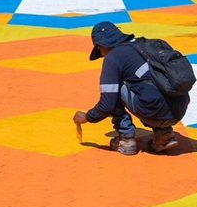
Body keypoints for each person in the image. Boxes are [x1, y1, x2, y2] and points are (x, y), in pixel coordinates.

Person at [73, 21, 181, 156]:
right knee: (148, 87)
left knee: (114, 90)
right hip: (179, 110)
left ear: (100, 46)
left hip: (155, 111)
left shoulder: (113, 57)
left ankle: (126, 139)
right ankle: (164, 135)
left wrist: (87, 117)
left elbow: (107, 105)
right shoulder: (141, 45)